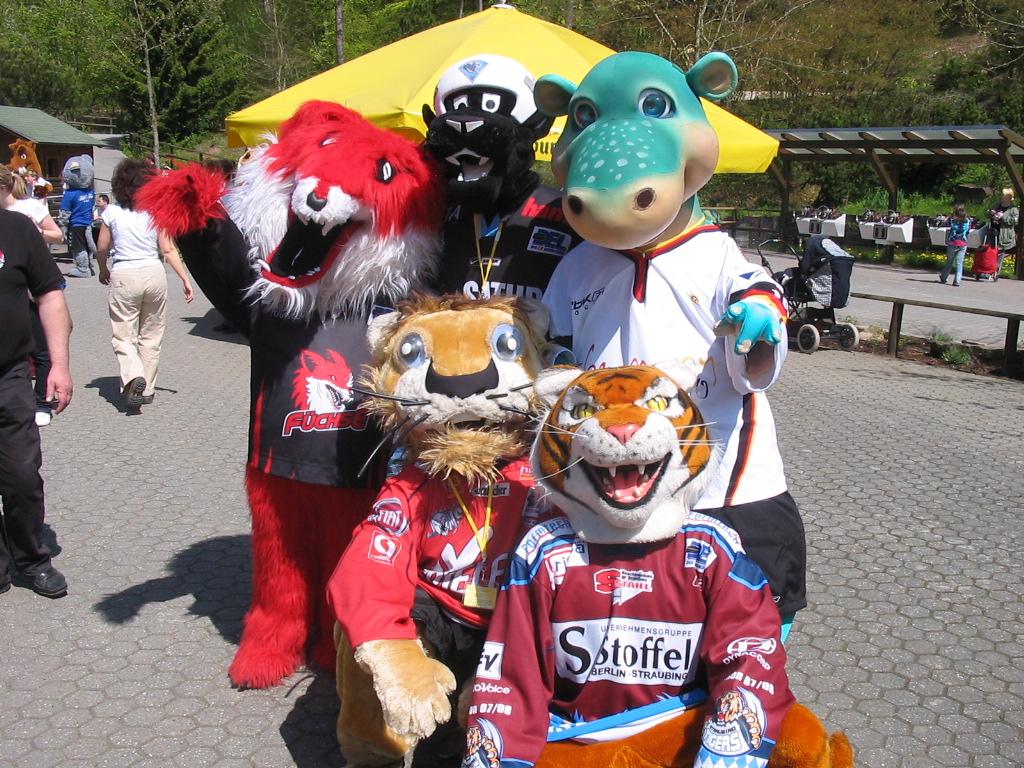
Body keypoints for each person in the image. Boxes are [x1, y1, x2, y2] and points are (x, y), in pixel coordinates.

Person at [0, 206, 74, 599]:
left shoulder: (15, 228)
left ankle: (32, 559)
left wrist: (58, 365)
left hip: (9, 376)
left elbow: (49, 296)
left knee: (22, 477)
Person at [95, 159, 194, 412]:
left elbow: (102, 247)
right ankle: (147, 389)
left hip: (125, 273)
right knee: (151, 335)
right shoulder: (155, 212)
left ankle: (133, 376)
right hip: (154, 273)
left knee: (123, 334)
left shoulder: (112, 212)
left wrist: (103, 268)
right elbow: (168, 249)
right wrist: (185, 279)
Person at [1, 169, 66, 427]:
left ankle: (43, 402)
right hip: (15, 290)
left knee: (41, 346)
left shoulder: (28, 209)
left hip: (34, 283)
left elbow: (57, 235)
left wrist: (36, 234)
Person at [59, 155, 97, 278]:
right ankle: (89, 265)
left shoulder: (70, 194)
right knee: (88, 245)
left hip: (76, 224)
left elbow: (65, 213)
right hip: (88, 223)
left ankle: (82, 268)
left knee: (78, 247)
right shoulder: (91, 192)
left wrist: (63, 227)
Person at [987, 188, 1019, 281]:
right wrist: (991, 213)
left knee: (1000, 254)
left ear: (1008, 197)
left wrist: (1003, 216)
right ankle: (987, 271)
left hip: (1004, 234)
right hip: (993, 232)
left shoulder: (1013, 209)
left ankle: (995, 273)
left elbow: (1014, 221)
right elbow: (987, 214)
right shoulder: (997, 205)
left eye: (1003, 195)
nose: (1001, 196)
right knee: (991, 252)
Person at [940, 203, 971, 287]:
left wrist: (949, 216)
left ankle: (944, 277)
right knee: (959, 262)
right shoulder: (968, 221)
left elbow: (945, 222)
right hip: (963, 243)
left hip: (953, 242)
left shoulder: (953, 221)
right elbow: (968, 231)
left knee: (950, 261)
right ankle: (957, 280)